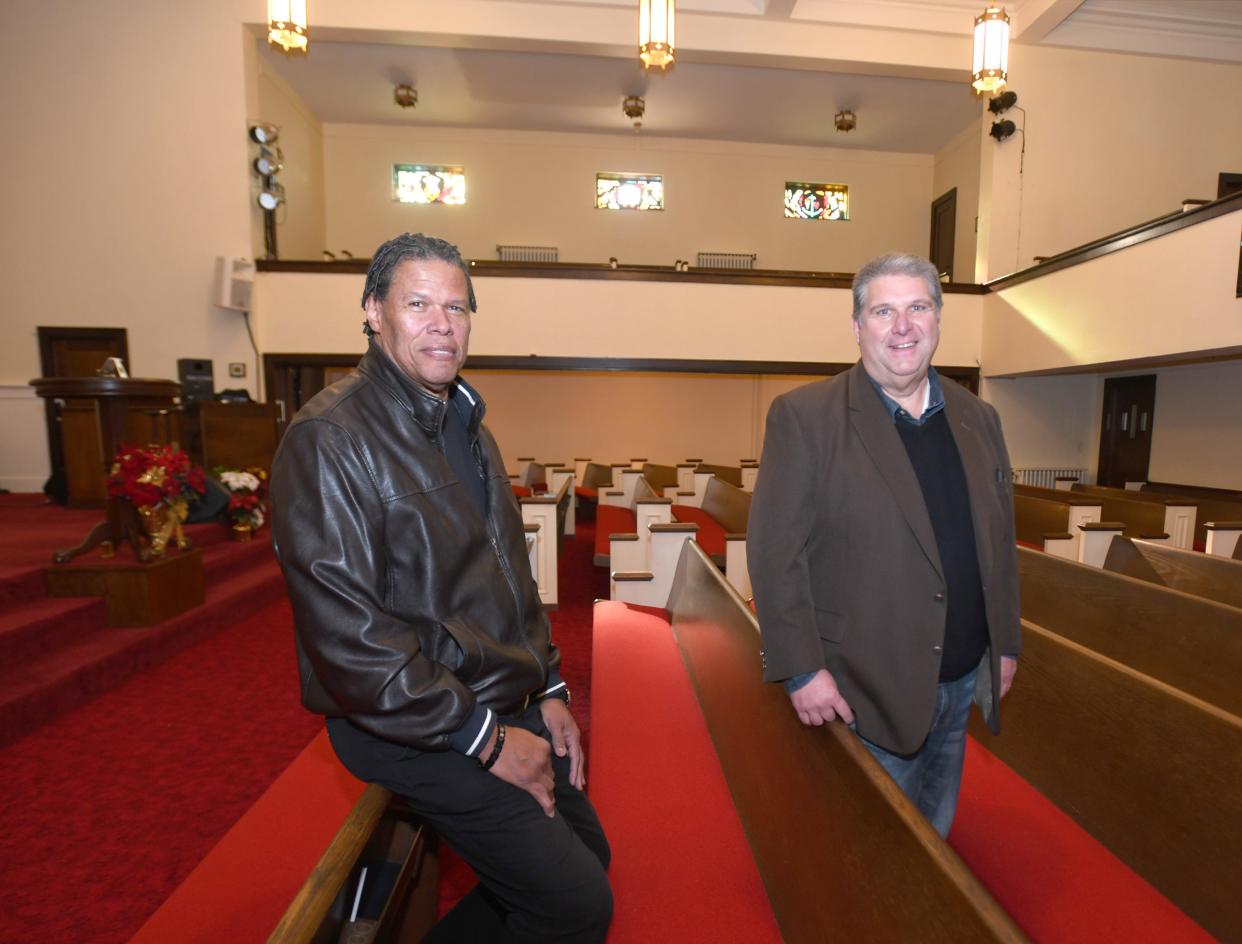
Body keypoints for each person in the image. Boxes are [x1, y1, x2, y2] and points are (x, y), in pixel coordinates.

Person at [270, 233, 611, 942]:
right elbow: (349, 643)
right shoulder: (330, 437)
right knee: (577, 905)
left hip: (489, 694)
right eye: (418, 302)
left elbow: (511, 579)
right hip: (407, 722)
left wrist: (548, 691)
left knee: (593, 860)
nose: (441, 323)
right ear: (373, 311)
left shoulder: (469, 425)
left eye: (457, 307)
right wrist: (485, 740)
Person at [747, 252, 1021, 839]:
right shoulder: (806, 417)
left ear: (939, 319)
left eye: (918, 307)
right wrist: (802, 670)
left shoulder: (980, 419)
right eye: (884, 311)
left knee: (934, 843)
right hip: (861, 687)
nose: (903, 327)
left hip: (958, 678)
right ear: (857, 326)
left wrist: (1005, 643)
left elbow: (1000, 544)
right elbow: (775, 554)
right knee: (868, 853)